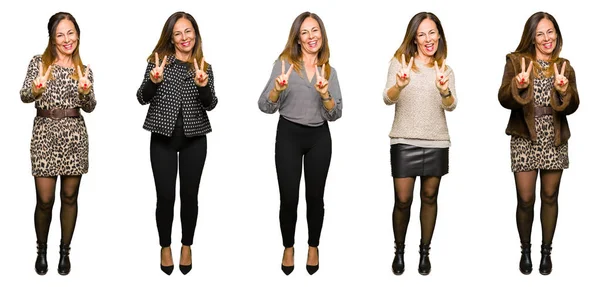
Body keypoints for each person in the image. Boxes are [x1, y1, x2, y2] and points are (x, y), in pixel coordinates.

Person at [258, 11, 342, 276]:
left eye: (314, 30)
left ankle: (313, 246)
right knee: (289, 197)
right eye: (304, 32)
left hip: (319, 137)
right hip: (289, 135)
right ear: (297, 37)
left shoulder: (329, 70)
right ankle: (288, 246)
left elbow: (336, 113)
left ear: (321, 34)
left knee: (315, 197)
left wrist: (325, 93)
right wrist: (277, 89)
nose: (310, 36)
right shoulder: (284, 64)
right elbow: (264, 105)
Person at [136, 11, 217, 276]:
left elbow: (211, 104)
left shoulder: (204, 66)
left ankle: (186, 245)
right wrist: (153, 80)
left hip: (195, 139)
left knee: (189, 197)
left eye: (188, 31)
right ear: (171, 38)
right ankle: (164, 246)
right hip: (162, 139)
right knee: (166, 197)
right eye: (178, 33)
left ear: (195, 33)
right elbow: (141, 97)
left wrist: (203, 86)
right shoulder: (158, 62)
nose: (184, 38)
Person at [498, 11, 579, 276]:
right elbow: (503, 98)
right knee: (525, 199)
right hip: (525, 138)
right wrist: (519, 86)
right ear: (532, 37)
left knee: (550, 196)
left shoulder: (564, 66)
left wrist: (564, 89)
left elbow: (574, 105)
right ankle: (525, 250)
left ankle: (546, 252)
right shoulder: (517, 61)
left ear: (557, 33)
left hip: (554, 139)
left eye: (550, 31)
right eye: (540, 33)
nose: (547, 38)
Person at [20, 12, 96, 276]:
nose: (67, 39)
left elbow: (91, 106)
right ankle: (41, 249)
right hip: (44, 135)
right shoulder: (39, 63)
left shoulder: (83, 70)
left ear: (78, 34)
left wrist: (85, 93)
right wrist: (37, 88)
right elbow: (25, 95)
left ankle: (65, 251)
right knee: (44, 199)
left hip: (74, 136)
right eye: (60, 34)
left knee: (69, 196)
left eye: (71, 33)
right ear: (52, 38)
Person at [382, 12, 456, 276]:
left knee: (430, 197)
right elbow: (387, 98)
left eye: (432, 32)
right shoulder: (399, 63)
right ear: (414, 38)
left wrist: (444, 89)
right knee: (403, 200)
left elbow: (451, 105)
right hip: (404, 140)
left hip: (437, 141)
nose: (428, 39)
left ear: (439, 35)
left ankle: (425, 252)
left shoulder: (445, 69)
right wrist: (399, 85)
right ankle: (399, 250)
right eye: (422, 33)